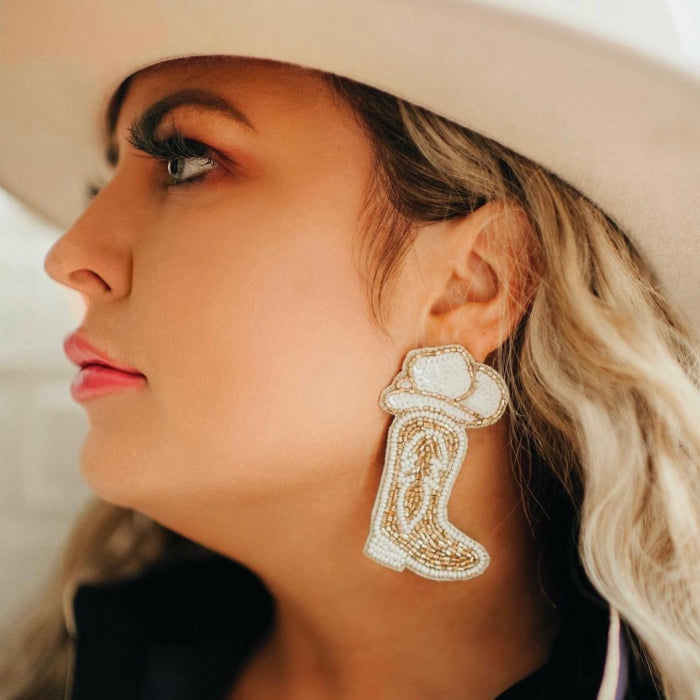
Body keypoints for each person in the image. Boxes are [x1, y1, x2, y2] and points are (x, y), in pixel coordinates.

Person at [0, 2, 699, 699]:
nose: (70, 255)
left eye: (185, 162)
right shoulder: (65, 671)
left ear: (469, 286)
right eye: (100, 187)